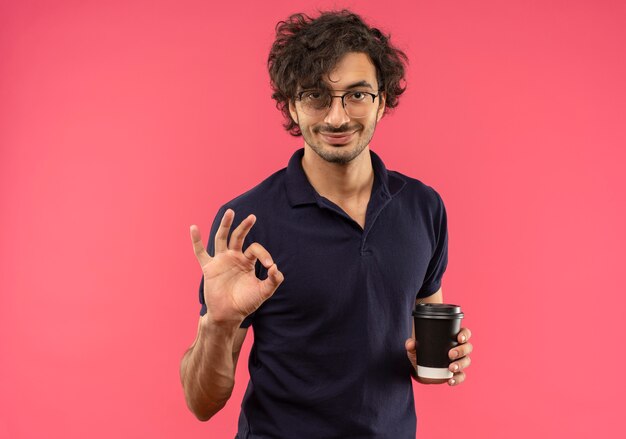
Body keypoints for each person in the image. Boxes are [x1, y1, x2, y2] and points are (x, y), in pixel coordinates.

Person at [180, 9, 473, 438]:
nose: (337, 118)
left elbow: (420, 332)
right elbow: (202, 403)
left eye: (356, 95)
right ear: (291, 105)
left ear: (383, 99)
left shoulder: (424, 207)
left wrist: (439, 356)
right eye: (316, 96)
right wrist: (218, 324)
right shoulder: (248, 224)